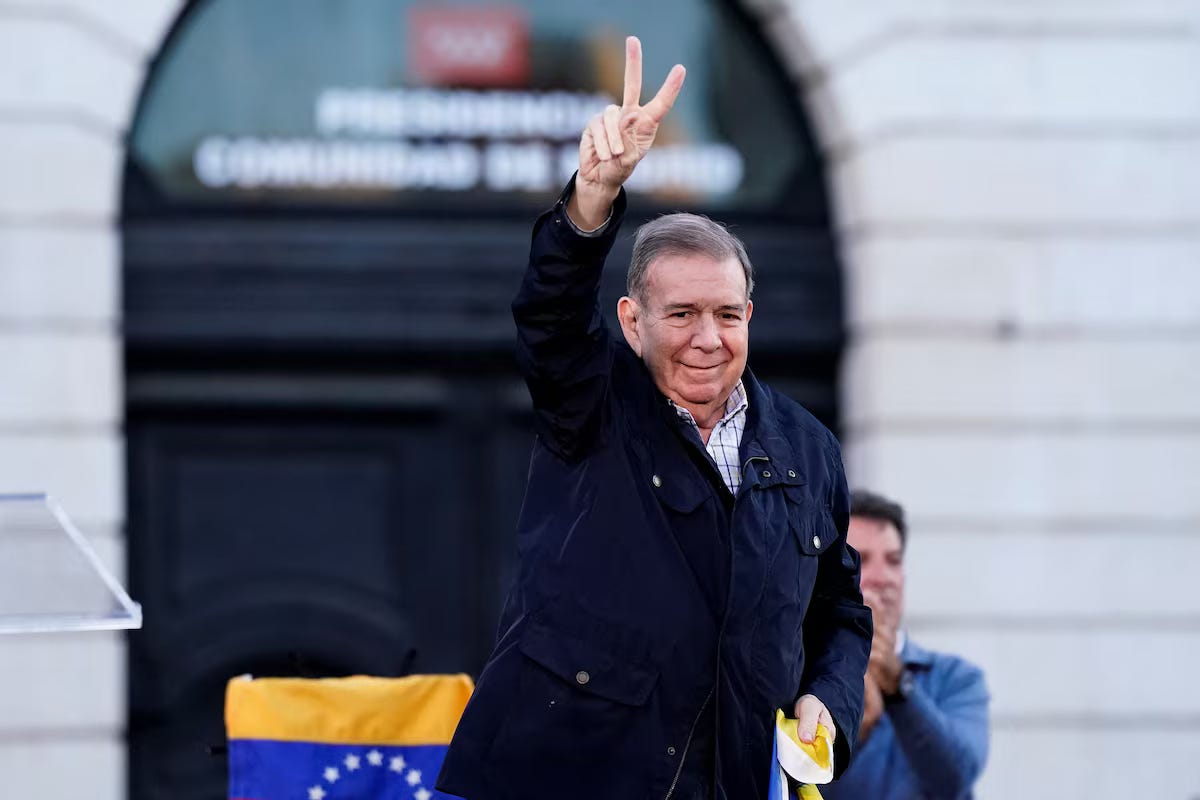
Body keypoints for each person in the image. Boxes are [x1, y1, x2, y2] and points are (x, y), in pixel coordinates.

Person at [437, 36, 871, 800]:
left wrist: (827, 700)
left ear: (750, 317)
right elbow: (550, 315)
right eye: (682, 314)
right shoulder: (594, 400)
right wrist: (592, 197)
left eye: (727, 315)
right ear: (632, 322)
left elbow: (840, 612)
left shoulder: (809, 448)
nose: (708, 338)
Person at [822, 490, 990, 800]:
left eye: (893, 561)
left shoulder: (955, 678)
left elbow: (957, 780)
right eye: (861, 559)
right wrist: (853, 730)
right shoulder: (806, 681)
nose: (882, 578)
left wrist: (899, 688)